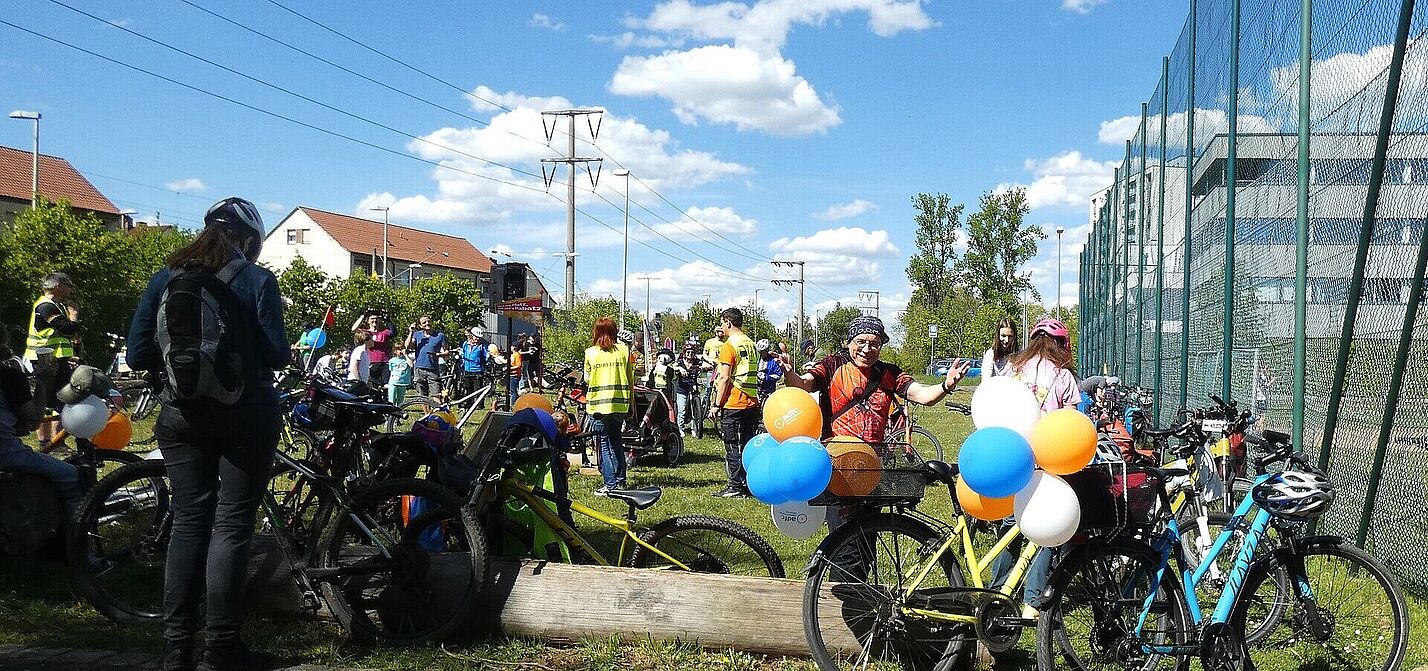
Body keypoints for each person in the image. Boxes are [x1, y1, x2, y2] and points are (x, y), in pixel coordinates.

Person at [127, 197, 288, 670]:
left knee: (188, 523)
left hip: (181, 418)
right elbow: (278, 354)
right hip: (246, 415)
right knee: (231, 526)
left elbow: (136, 354)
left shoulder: (165, 277)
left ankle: (175, 649)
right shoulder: (257, 280)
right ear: (249, 240)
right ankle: (221, 650)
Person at [994, 317, 1083, 620]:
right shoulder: (1063, 375)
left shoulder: (1013, 368)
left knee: (1009, 525)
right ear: (1061, 344)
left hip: (1012, 455)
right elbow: (1071, 422)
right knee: (1046, 530)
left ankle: (997, 591)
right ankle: (1032, 600)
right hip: (1048, 460)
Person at [779, 315, 969, 448]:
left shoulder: (889, 373)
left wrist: (946, 385)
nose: (866, 349)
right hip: (835, 458)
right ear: (849, 342)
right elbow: (802, 385)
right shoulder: (833, 365)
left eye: (874, 344)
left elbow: (923, 395)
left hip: (873, 461)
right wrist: (789, 372)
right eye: (861, 342)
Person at [0, 324, 83, 514]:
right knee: (73, 477)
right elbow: (34, 419)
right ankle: (77, 530)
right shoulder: (10, 376)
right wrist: (43, 382)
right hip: (6, 454)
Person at [706, 308, 762, 498]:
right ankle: (748, 483)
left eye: (722, 323)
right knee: (747, 446)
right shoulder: (751, 344)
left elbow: (724, 378)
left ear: (728, 323)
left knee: (732, 446)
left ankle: (735, 486)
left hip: (734, 402)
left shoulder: (729, 346)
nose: (722, 326)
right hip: (752, 401)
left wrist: (716, 405)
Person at [25, 271, 81, 448]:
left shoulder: (57, 306)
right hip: (43, 359)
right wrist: (74, 315)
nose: (70, 290)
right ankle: (45, 441)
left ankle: (57, 441)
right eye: (69, 285)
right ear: (58, 286)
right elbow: (67, 328)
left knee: (61, 399)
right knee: (46, 400)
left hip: (56, 359)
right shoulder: (45, 306)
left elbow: (67, 334)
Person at [584, 317, 634, 496]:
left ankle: (610, 484)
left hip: (597, 406)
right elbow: (630, 379)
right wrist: (631, 405)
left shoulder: (590, 353)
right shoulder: (624, 351)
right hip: (619, 404)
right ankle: (621, 480)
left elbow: (587, 379)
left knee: (603, 444)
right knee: (616, 441)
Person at [405, 315, 446, 399]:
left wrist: (438, 355)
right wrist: (411, 332)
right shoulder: (417, 335)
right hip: (419, 369)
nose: (427, 323)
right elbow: (407, 346)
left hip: (433, 369)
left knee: (436, 395)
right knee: (423, 396)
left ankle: (438, 408)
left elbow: (447, 352)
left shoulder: (440, 335)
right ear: (420, 325)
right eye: (424, 322)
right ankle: (426, 408)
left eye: (428, 321)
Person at [353, 312, 394, 390]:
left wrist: (388, 320)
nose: (374, 320)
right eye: (372, 319)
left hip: (384, 361)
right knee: (374, 386)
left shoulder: (384, 332)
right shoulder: (366, 333)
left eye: (376, 319)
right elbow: (354, 329)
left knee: (386, 385)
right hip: (372, 361)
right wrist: (363, 316)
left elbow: (394, 333)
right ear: (368, 321)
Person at [673, 342, 702, 436]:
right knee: (682, 410)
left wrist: (701, 367)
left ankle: (695, 428)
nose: (690, 354)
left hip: (693, 387)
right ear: (684, 353)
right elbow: (674, 366)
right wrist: (680, 369)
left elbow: (706, 365)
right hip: (682, 388)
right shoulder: (680, 362)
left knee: (695, 409)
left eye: (692, 352)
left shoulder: (696, 361)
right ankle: (680, 428)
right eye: (688, 352)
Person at [459, 328, 490, 400]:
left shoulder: (482, 346)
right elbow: (463, 353)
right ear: (471, 335)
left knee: (478, 390)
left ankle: (479, 404)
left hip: (477, 371)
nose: (477, 339)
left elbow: (486, 357)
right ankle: (469, 403)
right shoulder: (466, 344)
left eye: (479, 337)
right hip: (467, 370)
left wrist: (488, 356)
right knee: (468, 389)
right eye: (476, 337)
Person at [701, 327, 726, 413]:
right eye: (721, 332)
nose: (722, 334)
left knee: (719, 388)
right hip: (711, 368)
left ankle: (715, 406)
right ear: (716, 332)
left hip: (720, 369)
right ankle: (703, 407)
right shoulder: (710, 342)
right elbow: (704, 354)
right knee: (708, 388)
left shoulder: (725, 344)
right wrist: (709, 361)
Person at [755, 338, 783, 405]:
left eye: (762, 351)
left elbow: (778, 375)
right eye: (759, 352)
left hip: (768, 391)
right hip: (756, 391)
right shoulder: (757, 360)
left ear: (767, 351)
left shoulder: (773, 361)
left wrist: (766, 377)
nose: (761, 353)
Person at [1254, 364, 1274, 430]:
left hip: (1259, 398)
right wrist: (1271, 382)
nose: (1267, 370)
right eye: (1266, 368)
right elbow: (1264, 386)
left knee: (1260, 416)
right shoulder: (1261, 376)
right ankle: (1258, 429)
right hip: (1262, 398)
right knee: (1263, 416)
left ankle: (1259, 429)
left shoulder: (1261, 376)